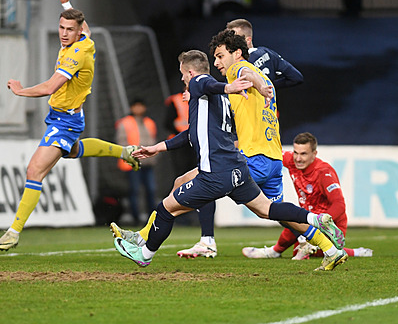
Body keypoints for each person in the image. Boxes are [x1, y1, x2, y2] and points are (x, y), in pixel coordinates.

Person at [112, 49, 347, 272]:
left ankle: (147, 253)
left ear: (190, 72)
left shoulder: (201, 83)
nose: (183, 79)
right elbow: (191, 133)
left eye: (183, 74)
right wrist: (157, 148)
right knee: (267, 209)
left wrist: (228, 86)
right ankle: (316, 220)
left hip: (216, 173)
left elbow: (206, 82)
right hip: (238, 170)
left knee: (166, 208)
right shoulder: (214, 100)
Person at [0, 0, 140, 251]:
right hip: (62, 116)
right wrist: (66, 3)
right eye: (61, 27)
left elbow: (50, 87)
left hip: (66, 121)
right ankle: (124, 152)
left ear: (76, 31)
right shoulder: (84, 38)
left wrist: (21, 91)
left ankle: (14, 232)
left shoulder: (76, 55)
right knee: (73, 151)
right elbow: (85, 26)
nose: (63, 33)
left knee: (34, 170)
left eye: (69, 29)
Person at [176, 19, 303, 258]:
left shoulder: (240, 69)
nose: (217, 63)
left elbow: (243, 73)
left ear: (239, 47)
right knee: (274, 211)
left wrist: (258, 86)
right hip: (273, 156)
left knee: (203, 179)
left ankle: (206, 241)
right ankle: (318, 234)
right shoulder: (264, 76)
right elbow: (294, 77)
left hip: (254, 155)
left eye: (220, 56)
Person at [242, 132, 373, 259]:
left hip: (331, 224)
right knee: (286, 214)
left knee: (313, 251)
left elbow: (339, 205)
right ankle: (274, 251)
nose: (298, 158)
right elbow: (270, 155)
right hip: (308, 219)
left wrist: (321, 224)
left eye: (303, 154)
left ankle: (355, 252)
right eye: (296, 153)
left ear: (314, 154)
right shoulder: (292, 161)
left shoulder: (324, 172)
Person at [226, 19, 303, 90]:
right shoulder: (268, 53)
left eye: (234, 38)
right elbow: (296, 77)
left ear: (248, 40)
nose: (229, 42)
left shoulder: (238, 62)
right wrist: (270, 86)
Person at [116, 98, 158, 225]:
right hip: (133, 162)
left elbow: (153, 140)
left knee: (151, 190)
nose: (138, 109)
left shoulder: (149, 122)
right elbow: (121, 141)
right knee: (134, 190)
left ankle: (152, 218)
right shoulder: (125, 122)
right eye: (136, 106)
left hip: (148, 163)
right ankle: (136, 218)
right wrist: (130, 157)